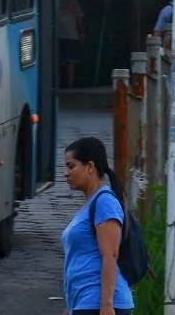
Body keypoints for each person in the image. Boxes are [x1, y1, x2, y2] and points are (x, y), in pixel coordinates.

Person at [62, 135, 134, 315]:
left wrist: (107, 306)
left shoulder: (105, 203)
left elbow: (110, 256)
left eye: (71, 166)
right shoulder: (93, 202)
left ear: (90, 167)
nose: (66, 173)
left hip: (99, 304)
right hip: (84, 302)